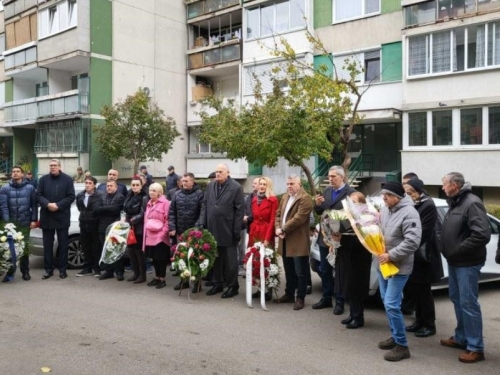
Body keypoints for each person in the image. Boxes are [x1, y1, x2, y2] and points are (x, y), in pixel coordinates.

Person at [439, 172, 490, 364]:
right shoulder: (456, 201)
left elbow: (481, 235)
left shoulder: (471, 202)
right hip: (456, 261)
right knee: (457, 299)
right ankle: (461, 337)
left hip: (467, 262)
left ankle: (476, 348)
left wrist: (458, 250)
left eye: (444, 184)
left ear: (455, 185)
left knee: (468, 304)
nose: (442, 187)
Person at [377, 181, 421, 362]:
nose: (384, 198)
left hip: (399, 266)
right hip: (383, 264)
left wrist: (391, 255)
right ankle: (395, 336)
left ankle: (402, 346)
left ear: (397, 196)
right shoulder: (387, 209)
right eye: (383, 195)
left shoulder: (410, 212)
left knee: (391, 304)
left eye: (387, 195)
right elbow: (379, 231)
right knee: (386, 302)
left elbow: (412, 242)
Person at [313, 166, 356, 315]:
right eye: (329, 176)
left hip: (340, 239)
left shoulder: (350, 193)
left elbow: (353, 216)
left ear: (341, 177)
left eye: (333, 176)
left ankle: (340, 301)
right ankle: (326, 298)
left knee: (339, 272)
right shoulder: (327, 191)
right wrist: (317, 205)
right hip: (325, 237)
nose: (330, 179)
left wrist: (340, 231)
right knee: (325, 269)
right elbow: (320, 212)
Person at [403, 178, 441, 338]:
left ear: (418, 191)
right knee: (415, 288)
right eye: (406, 193)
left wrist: (408, 242)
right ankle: (419, 320)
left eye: (410, 192)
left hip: (424, 255)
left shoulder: (428, 205)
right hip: (413, 254)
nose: (408, 195)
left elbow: (423, 231)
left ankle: (429, 324)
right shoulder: (414, 204)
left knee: (424, 291)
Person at [200, 163, 244, 298]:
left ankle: (232, 286)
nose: (218, 174)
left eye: (221, 171)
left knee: (230, 261)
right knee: (215, 258)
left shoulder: (236, 187)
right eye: (216, 171)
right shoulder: (211, 185)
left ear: (228, 172)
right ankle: (217, 283)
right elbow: (205, 205)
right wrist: (202, 222)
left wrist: (236, 230)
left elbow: (239, 210)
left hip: (228, 229)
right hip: (212, 227)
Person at [274, 174, 313, 311]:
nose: (289, 186)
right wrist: (278, 227)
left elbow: (299, 218)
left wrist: (283, 228)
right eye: (288, 184)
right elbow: (278, 214)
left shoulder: (305, 198)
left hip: (298, 241)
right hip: (284, 239)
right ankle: (289, 294)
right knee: (288, 269)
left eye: (292, 184)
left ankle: (300, 297)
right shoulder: (285, 197)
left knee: (300, 271)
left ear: (299, 184)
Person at [338, 191, 374, 329]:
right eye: (350, 202)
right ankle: (353, 314)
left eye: (355, 202)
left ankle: (359, 317)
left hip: (360, 255)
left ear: (362, 203)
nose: (352, 205)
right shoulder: (347, 215)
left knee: (357, 285)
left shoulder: (368, 216)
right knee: (348, 283)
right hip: (347, 252)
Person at [36, 159, 76, 279]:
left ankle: (63, 270)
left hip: (61, 216)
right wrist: (48, 204)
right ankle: (48, 270)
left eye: (55, 165)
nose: (52, 167)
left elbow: (71, 196)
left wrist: (58, 205)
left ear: (59, 166)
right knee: (47, 245)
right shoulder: (43, 180)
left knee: (63, 245)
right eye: (51, 165)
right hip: (47, 216)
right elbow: (38, 195)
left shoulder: (67, 179)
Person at [0, 166, 38, 282]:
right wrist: (7, 223)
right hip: (10, 224)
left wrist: (33, 220)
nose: (15, 173)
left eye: (17, 172)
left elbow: (34, 205)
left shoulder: (30, 188)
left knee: (24, 248)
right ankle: (10, 272)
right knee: (9, 249)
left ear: (22, 174)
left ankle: (25, 272)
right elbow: (3, 206)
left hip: (24, 222)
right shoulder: (5, 188)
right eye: (13, 172)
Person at [169, 173, 204, 292]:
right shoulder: (176, 194)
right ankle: (183, 281)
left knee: (195, 257)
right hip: (180, 231)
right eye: (183, 181)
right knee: (181, 257)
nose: (184, 183)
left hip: (195, 232)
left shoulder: (199, 194)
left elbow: (202, 212)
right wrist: (172, 227)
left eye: (186, 181)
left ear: (193, 182)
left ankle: (197, 283)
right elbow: (172, 212)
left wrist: (197, 227)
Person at [248, 176, 278, 301]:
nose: (261, 186)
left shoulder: (273, 200)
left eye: (264, 184)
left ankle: (269, 289)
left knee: (267, 260)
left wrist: (267, 238)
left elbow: (272, 220)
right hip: (255, 231)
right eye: (260, 184)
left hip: (266, 231)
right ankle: (259, 288)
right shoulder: (254, 199)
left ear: (268, 186)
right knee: (255, 260)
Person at [94, 180, 126, 281]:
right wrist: (107, 209)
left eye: (111, 186)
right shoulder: (101, 196)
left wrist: (103, 209)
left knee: (116, 250)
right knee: (106, 250)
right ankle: (108, 271)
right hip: (102, 227)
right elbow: (96, 209)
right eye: (107, 186)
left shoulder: (120, 197)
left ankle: (119, 272)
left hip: (115, 228)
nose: (109, 187)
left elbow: (116, 209)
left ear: (116, 187)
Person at [75, 176, 103, 277]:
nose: (87, 185)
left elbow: (100, 209)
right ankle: (87, 268)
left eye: (90, 183)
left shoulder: (99, 195)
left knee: (96, 247)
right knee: (85, 247)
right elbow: (80, 208)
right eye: (86, 183)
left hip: (95, 224)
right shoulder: (80, 195)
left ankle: (97, 268)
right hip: (83, 224)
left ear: (94, 185)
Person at [144, 183, 170, 289]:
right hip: (150, 235)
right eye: (150, 190)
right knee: (154, 258)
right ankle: (157, 277)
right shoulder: (149, 203)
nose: (151, 192)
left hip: (160, 236)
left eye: (154, 190)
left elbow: (168, 219)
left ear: (160, 192)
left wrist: (163, 233)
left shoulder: (166, 203)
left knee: (161, 258)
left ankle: (162, 278)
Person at [123, 177, 148, 283]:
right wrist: (125, 218)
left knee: (139, 252)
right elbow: (125, 209)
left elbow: (143, 213)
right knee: (131, 251)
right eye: (133, 185)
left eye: (137, 185)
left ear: (141, 186)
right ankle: (136, 273)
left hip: (139, 227)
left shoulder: (144, 197)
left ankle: (142, 275)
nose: (135, 187)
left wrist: (132, 220)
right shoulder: (129, 194)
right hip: (129, 226)